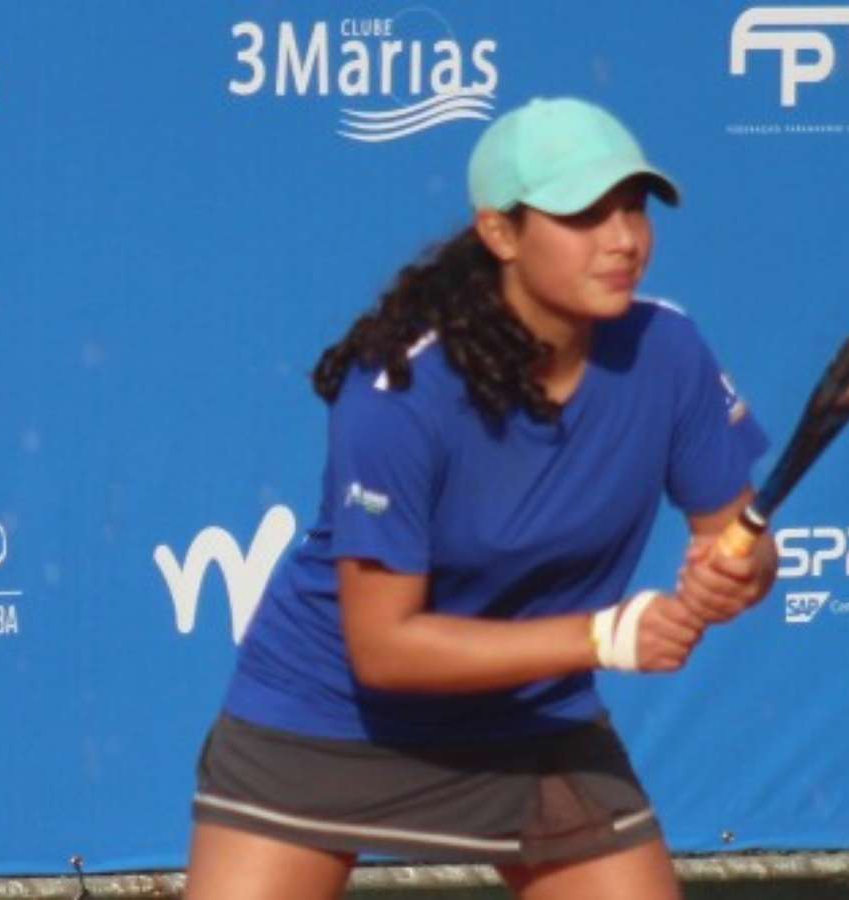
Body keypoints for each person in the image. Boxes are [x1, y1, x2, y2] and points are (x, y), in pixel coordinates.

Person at [184, 96, 778, 900]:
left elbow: (738, 541)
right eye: (584, 215)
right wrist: (603, 636)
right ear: (500, 232)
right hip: (325, 720)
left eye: (634, 209)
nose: (623, 240)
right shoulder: (400, 388)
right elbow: (385, 649)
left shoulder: (668, 350)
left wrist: (740, 572)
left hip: (530, 723)